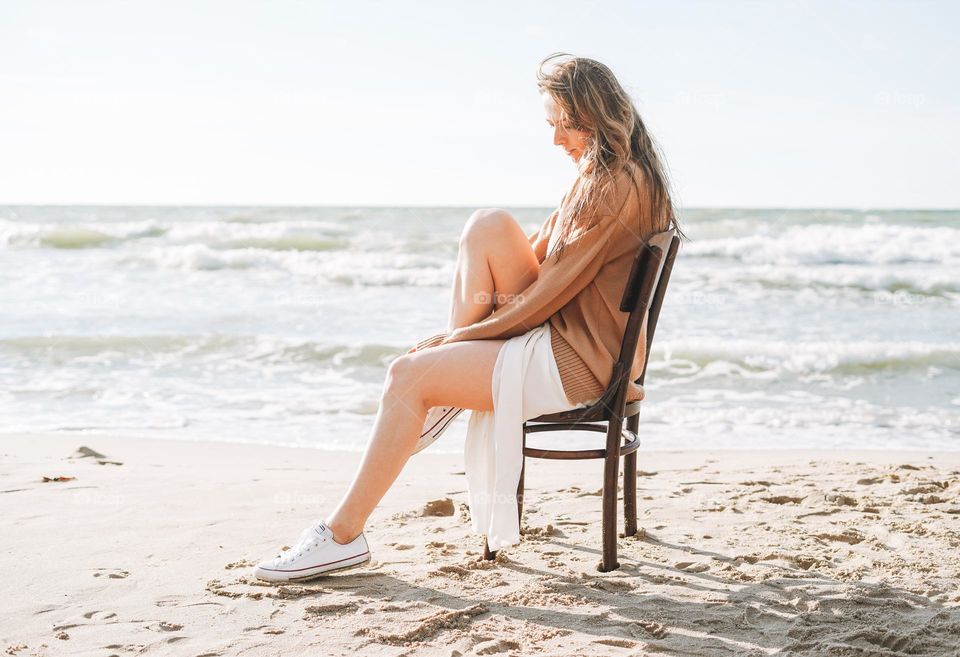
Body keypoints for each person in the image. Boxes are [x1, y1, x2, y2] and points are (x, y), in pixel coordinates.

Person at [254, 52, 683, 583]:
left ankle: (342, 537)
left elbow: (549, 291)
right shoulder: (611, 175)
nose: (556, 140)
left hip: (578, 363)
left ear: (598, 114)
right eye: (550, 125)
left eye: (564, 124)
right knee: (487, 225)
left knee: (406, 376)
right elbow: (542, 257)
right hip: (574, 344)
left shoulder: (614, 185)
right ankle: (441, 387)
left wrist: (456, 340)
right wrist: (458, 342)